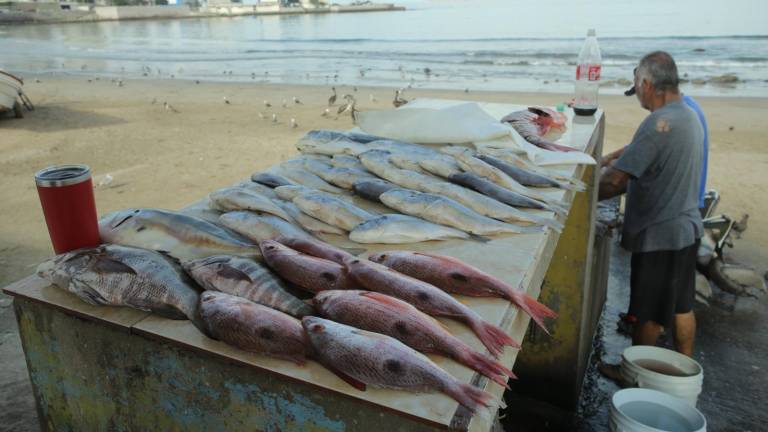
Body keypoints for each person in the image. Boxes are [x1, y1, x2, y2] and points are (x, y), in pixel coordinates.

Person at [597, 51, 704, 381]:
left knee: (649, 314)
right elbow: (634, 152)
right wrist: (602, 159)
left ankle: (634, 376)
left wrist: (582, 193)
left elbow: (616, 182)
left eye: (637, 89)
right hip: (686, 229)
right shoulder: (686, 114)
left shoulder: (657, 124)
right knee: (682, 305)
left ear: (646, 84)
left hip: (659, 234)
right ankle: (685, 367)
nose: (638, 96)